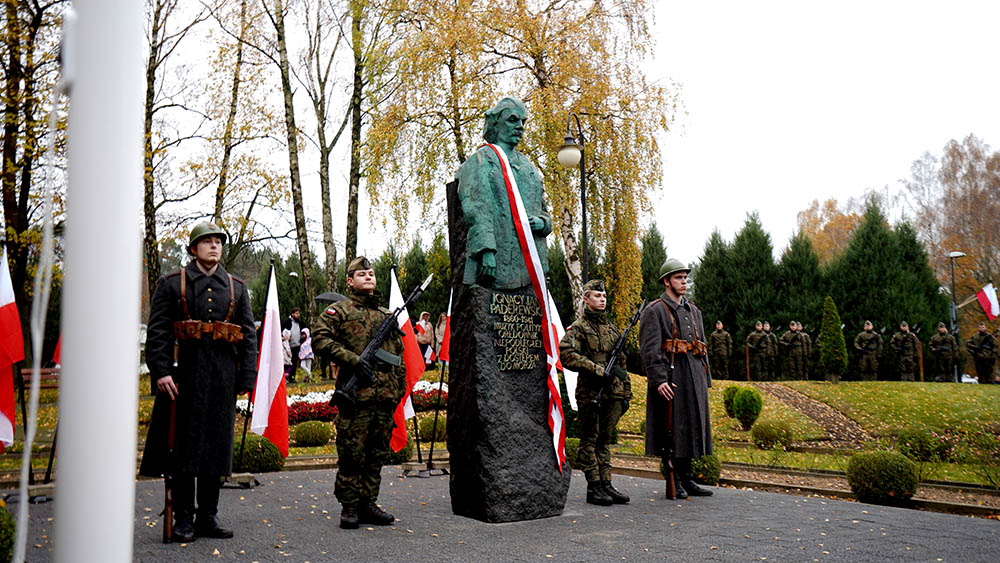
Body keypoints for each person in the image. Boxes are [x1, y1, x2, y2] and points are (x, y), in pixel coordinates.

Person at [139, 221, 258, 542]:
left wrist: (247, 376)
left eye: (218, 241)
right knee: (182, 449)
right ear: (193, 249)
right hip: (182, 379)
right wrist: (161, 371)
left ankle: (208, 516)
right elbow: (158, 333)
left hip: (222, 379)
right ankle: (184, 518)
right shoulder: (171, 284)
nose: (214, 246)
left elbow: (248, 336)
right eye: (207, 241)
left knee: (216, 449)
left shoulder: (236, 287)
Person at [312, 256, 406, 530]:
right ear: (350, 281)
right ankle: (350, 506)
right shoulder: (338, 311)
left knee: (376, 455)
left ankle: (368, 503)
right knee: (352, 454)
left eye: (371, 274)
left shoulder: (386, 316)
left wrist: (398, 389)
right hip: (356, 396)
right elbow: (320, 339)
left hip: (384, 396)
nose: (368, 277)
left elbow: (398, 356)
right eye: (362, 274)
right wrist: (353, 360)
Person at [456, 97, 552, 289]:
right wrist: (486, 250)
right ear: (496, 124)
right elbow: (476, 210)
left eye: (523, 121)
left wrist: (543, 223)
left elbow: (543, 210)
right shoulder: (480, 161)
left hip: (529, 269)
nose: (520, 126)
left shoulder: (529, 168)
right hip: (496, 264)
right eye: (513, 120)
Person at [639, 258, 713, 499]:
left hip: (694, 377)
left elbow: (701, 346)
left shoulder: (694, 311)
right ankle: (675, 480)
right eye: (679, 278)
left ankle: (688, 478)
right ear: (667, 281)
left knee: (691, 426)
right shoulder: (655, 310)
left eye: (685, 277)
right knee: (673, 429)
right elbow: (650, 350)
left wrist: (706, 380)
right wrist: (659, 380)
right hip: (672, 377)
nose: (684, 282)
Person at [558, 279, 632, 506]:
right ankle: (594, 486)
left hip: (612, 391)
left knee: (604, 440)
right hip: (590, 391)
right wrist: (596, 369)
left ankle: (606, 483)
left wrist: (625, 391)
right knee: (590, 439)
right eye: (597, 296)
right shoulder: (578, 328)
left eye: (604, 296)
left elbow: (621, 363)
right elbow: (566, 354)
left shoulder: (611, 328)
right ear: (586, 299)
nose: (602, 300)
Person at [282, 307, 309, 382]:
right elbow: (281, 332)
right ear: (292, 314)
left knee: (294, 362)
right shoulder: (286, 322)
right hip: (287, 346)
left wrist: (303, 336)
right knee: (287, 362)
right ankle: (285, 376)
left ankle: (292, 377)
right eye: (296, 313)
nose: (298, 315)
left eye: (299, 313)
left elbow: (305, 331)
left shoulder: (300, 323)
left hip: (297, 345)